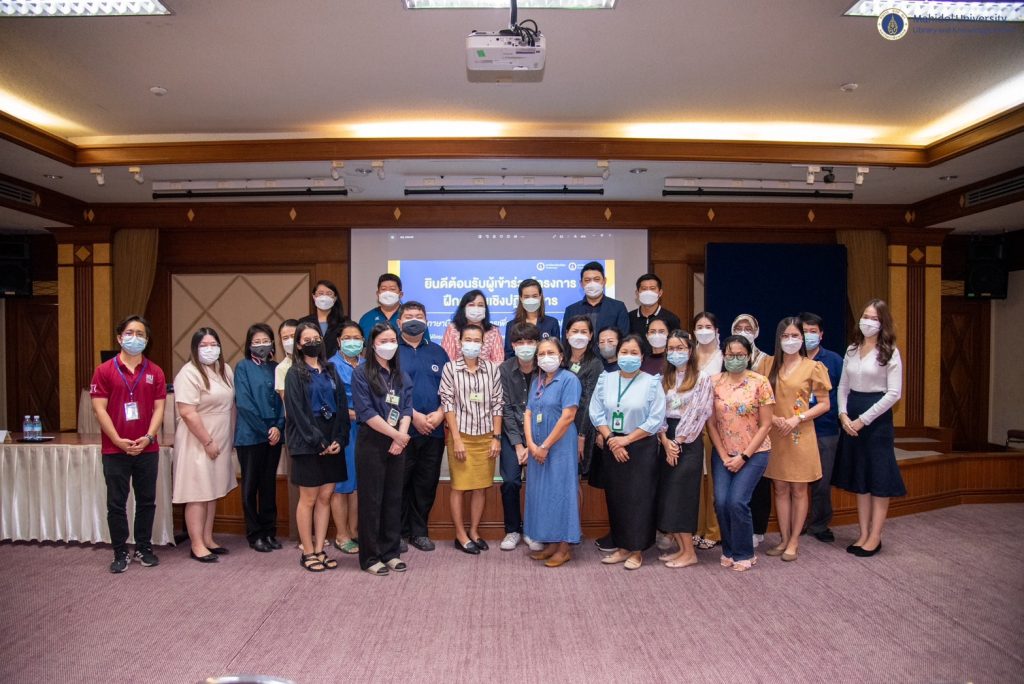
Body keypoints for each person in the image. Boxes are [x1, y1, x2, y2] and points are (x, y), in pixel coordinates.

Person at [89, 314, 167, 573]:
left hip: (147, 448)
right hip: (115, 449)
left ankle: (144, 547)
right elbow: (99, 410)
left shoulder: (155, 371)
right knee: (116, 503)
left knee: (146, 501)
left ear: (147, 339)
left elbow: (159, 408)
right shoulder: (104, 371)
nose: (135, 338)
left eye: (140, 334)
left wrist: (149, 437)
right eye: (130, 333)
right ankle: (120, 551)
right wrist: (117, 440)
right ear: (119, 338)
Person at [832, 299, 904, 558]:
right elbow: (843, 386)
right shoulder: (852, 349)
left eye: (874, 318)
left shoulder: (890, 351)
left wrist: (864, 419)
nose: (868, 322)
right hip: (851, 416)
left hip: (876, 420)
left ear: (883, 323)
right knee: (860, 477)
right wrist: (842, 414)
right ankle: (862, 533)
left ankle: (875, 536)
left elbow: (894, 394)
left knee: (878, 478)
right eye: (865, 316)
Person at [589, 334, 666, 570]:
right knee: (617, 497)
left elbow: (655, 419)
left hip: (640, 445)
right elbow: (596, 412)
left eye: (634, 353)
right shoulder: (606, 378)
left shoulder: (652, 382)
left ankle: (637, 550)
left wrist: (627, 440)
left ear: (642, 357)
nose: (628, 357)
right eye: (624, 352)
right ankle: (622, 547)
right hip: (612, 443)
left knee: (639, 499)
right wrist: (612, 439)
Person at [761, 318, 831, 562]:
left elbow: (824, 404)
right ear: (778, 338)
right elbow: (758, 399)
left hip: (800, 434)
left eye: (795, 336)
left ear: (802, 339)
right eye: (786, 336)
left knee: (799, 489)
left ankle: (794, 541)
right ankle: (783, 538)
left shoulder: (813, 367)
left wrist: (797, 418)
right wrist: (774, 418)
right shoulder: (767, 364)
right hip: (775, 433)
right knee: (780, 488)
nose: (790, 340)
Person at [284, 321, 350, 572]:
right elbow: (297, 413)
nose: (313, 343)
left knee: (325, 497)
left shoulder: (331, 370)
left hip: (332, 439)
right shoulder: (294, 373)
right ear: (299, 345)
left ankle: (320, 548)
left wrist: (338, 439)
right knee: (309, 498)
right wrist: (318, 441)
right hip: (307, 442)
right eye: (307, 340)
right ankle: (308, 551)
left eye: (316, 338)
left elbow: (341, 407)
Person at [706, 335, 775, 572]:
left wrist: (744, 456)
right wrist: (724, 455)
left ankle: (745, 553)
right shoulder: (713, 382)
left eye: (740, 355)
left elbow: (766, 425)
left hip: (754, 453)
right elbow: (711, 423)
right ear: (723, 356)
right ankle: (729, 550)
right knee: (721, 502)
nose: (734, 359)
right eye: (730, 354)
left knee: (737, 501)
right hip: (723, 453)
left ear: (748, 356)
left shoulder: (760, 382)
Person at [351, 323, 414, 575]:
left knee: (393, 499)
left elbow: (407, 408)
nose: (389, 345)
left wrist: (401, 437)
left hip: (398, 443)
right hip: (372, 442)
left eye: (392, 341)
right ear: (373, 344)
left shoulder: (400, 375)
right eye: (383, 341)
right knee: (371, 500)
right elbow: (366, 412)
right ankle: (370, 557)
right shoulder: (361, 373)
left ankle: (390, 553)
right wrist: (396, 435)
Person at [172, 327, 236, 564]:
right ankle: (196, 544)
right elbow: (187, 412)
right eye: (204, 345)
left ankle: (208, 538)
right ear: (195, 348)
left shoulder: (225, 370)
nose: (210, 349)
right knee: (198, 492)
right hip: (198, 439)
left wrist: (231, 437)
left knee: (213, 490)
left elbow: (231, 406)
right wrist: (207, 441)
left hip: (221, 438)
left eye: (213, 344)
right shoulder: (188, 373)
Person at [439, 322, 504, 555]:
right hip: (461, 436)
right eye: (468, 340)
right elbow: (447, 404)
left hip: (486, 436)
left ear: (483, 344)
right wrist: (456, 439)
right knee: (459, 486)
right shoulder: (450, 368)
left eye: (477, 340)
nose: (472, 344)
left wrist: (496, 437)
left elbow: (498, 404)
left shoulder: (492, 369)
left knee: (481, 487)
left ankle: (474, 531)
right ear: (459, 342)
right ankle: (460, 534)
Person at [524, 338, 583, 567]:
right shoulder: (537, 381)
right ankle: (551, 543)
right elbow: (528, 412)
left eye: (551, 353)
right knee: (543, 494)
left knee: (562, 493)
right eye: (541, 354)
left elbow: (568, 417)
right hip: (537, 447)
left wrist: (545, 446)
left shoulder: (569, 379)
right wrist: (531, 444)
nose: (545, 357)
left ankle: (565, 548)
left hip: (559, 446)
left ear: (561, 356)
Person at [656, 330, 713, 569]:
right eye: (671, 349)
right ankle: (681, 549)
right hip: (666, 439)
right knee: (669, 497)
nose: (675, 353)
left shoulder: (702, 378)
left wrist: (677, 442)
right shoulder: (664, 379)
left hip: (688, 441)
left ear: (690, 350)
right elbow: (658, 412)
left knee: (682, 496)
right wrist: (664, 440)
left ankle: (690, 553)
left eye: (680, 348)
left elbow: (699, 413)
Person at [396, 302, 449, 552]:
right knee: (399, 483)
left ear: (427, 321)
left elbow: (450, 390)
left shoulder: (439, 352)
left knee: (426, 483)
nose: (414, 320)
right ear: (399, 322)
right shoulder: (391, 351)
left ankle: (419, 532)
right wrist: (413, 415)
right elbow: (387, 390)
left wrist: (440, 414)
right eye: (409, 316)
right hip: (401, 431)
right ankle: (397, 532)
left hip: (434, 430)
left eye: (419, 316)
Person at [233, 323, 285, 553]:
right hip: (251, 436)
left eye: (265, 341)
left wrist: (278, 427)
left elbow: (283, 401)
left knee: (268, 485)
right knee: (250, 486)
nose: (262, 345)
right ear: (249, 345)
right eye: (257, 342)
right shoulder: (243, 367)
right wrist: (265, 430)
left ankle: (269, 531)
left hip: (274, 435)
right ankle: (255, 534)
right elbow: (244, 403)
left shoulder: (277, 368)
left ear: (272, 344)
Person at [799, 311, 844, 543]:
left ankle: (819, 524)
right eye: (804, 332)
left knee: (822, 481)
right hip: (796, 428)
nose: (808, 336)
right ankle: (796, 522)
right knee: (796, 479)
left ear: (821, 334)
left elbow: (844, 392)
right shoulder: (791, 359)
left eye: (813, 332)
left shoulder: (834, 360)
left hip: (825, 429)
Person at [498, 321, 540, 551]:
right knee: (511, 482)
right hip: (511, 434)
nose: (525, 346)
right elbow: (505, 409)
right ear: (513, 345)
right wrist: (518, 445)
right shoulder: (504, 369)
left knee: (537, 482)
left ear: (537, 344)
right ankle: (512, 530)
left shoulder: (545, 368)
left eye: (530, 342)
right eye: (520, 342)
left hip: (539, 436)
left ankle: (534, 530)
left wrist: (531, 443)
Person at [732, 313, 771, 548]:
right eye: (739, 327)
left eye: (748, 328)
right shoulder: (728, 358)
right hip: (732, 431)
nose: (744, 331)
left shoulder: (767, 360)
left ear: (756, 332)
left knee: (759, 483)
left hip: (759, 431)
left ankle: (757, 529)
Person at [327, 320, 365, 556]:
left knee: (358, 485)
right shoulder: (331, 366)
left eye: (357, 338)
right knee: (342, 485)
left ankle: (354, 530)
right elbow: (332, 403)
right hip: (344, 430)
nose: (353, 342)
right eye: (348, 338)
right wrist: (359, 414)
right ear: (339, 341)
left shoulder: (367, 363)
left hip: (367, 430)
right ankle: (341, 535)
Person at [692, 311, 723, 550]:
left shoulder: (723, 357)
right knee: (696, 477)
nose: (703, 331)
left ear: (716, 331)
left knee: (713, 476)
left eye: (708, 326)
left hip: (716, 422)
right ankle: (697, 527)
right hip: (691, 423)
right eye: (699, 327)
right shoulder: (689, 356)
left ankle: (714, 529)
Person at [591, 324, 621, 553]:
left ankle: (623, 535)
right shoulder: (598, 367)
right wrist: (601, 432)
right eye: (602, 341)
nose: (606, 345)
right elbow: (596, 406)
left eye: (611, 341)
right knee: (610, 487)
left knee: (622, 489)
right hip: (604, 435)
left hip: (624, 438)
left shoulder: (626, 369)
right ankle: (615, 533)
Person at [563, 315, 604, 476]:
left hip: (580, 425)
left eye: (584, 331)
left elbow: (590, 401)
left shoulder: (595, 364)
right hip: (558, 424)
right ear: (567, 334)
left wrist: (581, 434)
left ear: (591, 335)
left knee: (575, 475)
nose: (579, 335)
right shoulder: (560, 359)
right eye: (575, 331)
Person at [562, 261, 630, 342]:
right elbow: (565, 340)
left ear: (604, 281)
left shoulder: (618, 307)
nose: (592, 283)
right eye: (587, 280)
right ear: (581, 283)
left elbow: (624, 339)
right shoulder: (571, 310)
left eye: (596, 279)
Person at [358, 273, 431, 342]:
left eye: (392, 289)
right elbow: (362, 346)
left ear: (401, 294)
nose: (387, 293)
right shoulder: (367, 318)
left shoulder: (412, 317)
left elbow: (426, 344)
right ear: (378, 294)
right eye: (383, 289)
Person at [440, 289, 505, 364]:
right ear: (464, 308)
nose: (476, 308)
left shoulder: (493, 331)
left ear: (485, 309)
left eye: (480, 305)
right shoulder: (452, 329)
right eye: (471, 305)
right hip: (456, 370)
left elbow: (498, 361)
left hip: (487, 371)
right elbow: (447, 359)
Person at [502, 278, 560, 359]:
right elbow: (509, 355)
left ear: (540, 297)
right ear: (521, 298)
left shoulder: (552, 323)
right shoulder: (511, 325)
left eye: (534, 296)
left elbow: (556, 350)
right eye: (526, 297)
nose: (531, 300)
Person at [297, 280, 346, 358]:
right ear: (314, 297)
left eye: (329, 294)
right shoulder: (304, 322)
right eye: (320, 293)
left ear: (335, 298)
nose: (324, 297)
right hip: (310, 363)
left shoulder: (344, 322)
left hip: (336, 364)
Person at [274, 319, 298, 400]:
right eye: (285, 338)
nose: (290, 341)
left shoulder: (313, 360)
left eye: (293, 336)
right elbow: (286, 401)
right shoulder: (281, 368)